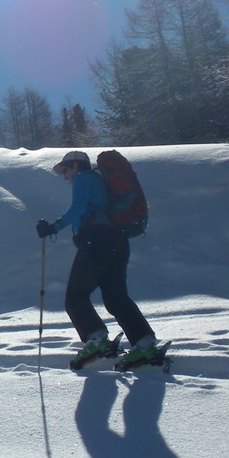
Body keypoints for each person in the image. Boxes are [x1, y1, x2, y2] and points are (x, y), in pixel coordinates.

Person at [36, 151, 159, 370]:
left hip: (97, 240)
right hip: (118, 241)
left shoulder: (83, 178)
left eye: (66, 170)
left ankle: (97, 340)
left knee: (75, 296)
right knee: (115, 297)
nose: (66, 177)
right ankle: (144, 344)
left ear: (75, 166)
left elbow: (79, 208)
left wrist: (53, 227)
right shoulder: (101, 182)